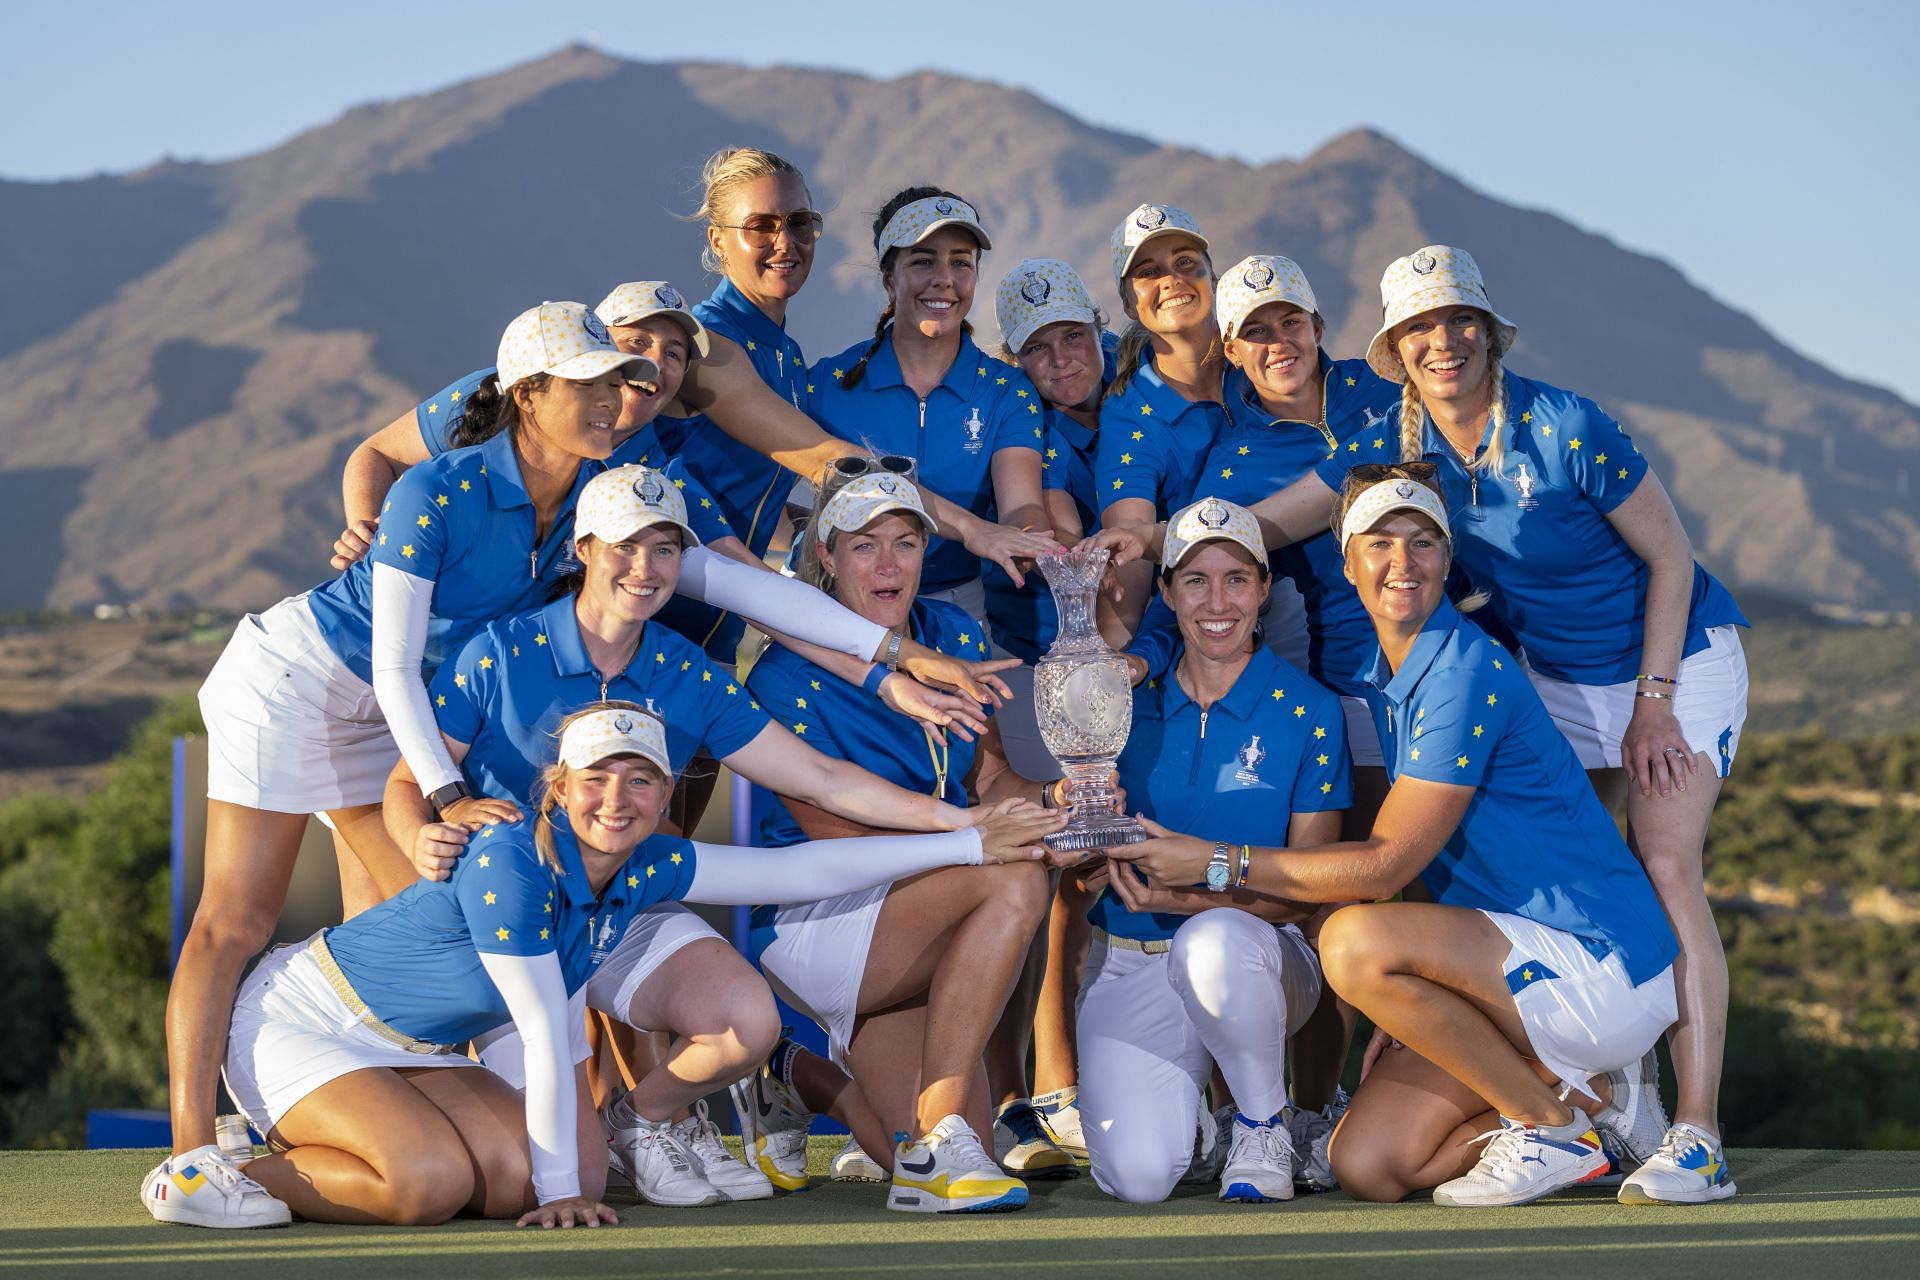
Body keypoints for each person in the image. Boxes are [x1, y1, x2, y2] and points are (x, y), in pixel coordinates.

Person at [387, 464, 1044, 1204]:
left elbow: (819, 777)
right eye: (626, 547)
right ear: (582, 549)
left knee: (750, 1023)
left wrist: (981, 822)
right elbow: (408, 780)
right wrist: (422, 826)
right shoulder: (498, 652)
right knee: (543, 1182)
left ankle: (683, 1108)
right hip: (513, 924)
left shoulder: (684, 669)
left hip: (624, 907)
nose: (646, 567)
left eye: (666, 549)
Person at [144, 301, 651, 1228]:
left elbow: (712, 575)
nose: (612, 396)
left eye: (615, 380)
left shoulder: (598, 490)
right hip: (301, 678)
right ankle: (189, 1157)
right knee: (238, 913)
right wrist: (449, 792)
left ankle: (371, 1113)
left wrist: (883, 656)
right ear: (530, 395)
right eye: (589, 382)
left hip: (400, 707)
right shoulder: (454, 477)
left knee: (418, 910)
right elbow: (384, 620)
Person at [199, 703, 1060, 1227]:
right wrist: (566, 1192)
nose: (620, 798)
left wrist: (972, 842)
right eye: (598, 778)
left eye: (643, 780)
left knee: (502, 1186)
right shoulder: (510, 863)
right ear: (559, 789)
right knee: (427, 1184)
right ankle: (226, 1171)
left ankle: (362, 1141)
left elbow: (805, 872)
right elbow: (543, 1034)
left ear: (664, 793)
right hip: (305, 1019)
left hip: (419, 1046)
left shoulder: (645, 861)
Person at [1110, 470, 1681, 1208]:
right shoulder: (1393, 674)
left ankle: (1546, 1126)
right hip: (1505, 972)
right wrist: (1418, 1008)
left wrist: (1216, 863)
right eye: (1379, 543)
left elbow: (1386, 867)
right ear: (1347, 562)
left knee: (1350, 940)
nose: (1402, 563)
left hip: (1595, 960)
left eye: (1423, 544)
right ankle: (1592, 1105)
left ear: (1449, 561)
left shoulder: (1461, 670)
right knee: (1369, 1165)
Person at [1119, 254, 1403, 1185]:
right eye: (1255, 333)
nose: (1277, 343)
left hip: (1439, 667)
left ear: (1320, 326)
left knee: (1433, 900)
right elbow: (1195, 581)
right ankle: (1307, 1112)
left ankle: (1401, 1105)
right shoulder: (1227, 457)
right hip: (1353, 684)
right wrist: (1150, 650)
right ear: (1231, 351)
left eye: (1292, 323)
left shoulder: (1385, 389)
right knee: (1337, 905)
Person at [737, 470, 1071, 1212]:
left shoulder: (951, 634)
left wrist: (1055, 806)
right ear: (826, 555)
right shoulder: (785, 673)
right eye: (866, 546)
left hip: (930, 902)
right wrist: (988, 839)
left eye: (906, 542)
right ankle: (943, 1123)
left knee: (921, 1166)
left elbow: (991, 780)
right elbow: (838, 841)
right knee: (1015, 877)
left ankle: (793, 1077)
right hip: (821, 917)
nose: (889, 565)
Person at [1068, 498, 1348, 1205]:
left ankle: (1261, 1122)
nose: (1216, 601)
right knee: (1137, 1177)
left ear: (1262, 591)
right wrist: (1084, 851)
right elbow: (1076, 864)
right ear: (1165, 594)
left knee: (1213, 938)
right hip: (1134, 958)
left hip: (1261, 956)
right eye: (1194, 580)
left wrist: (1189, 886)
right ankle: (1201, 1120)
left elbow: (1307, 891)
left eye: (1236, 579)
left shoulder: (1308, 709)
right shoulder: (1123, 704)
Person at [986, 257, 1114, 1159]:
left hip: (1145, 668)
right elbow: (1049, 514)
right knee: (1047, 873)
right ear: (1012, 359)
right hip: (1038, 664)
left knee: (1110, 873)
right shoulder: (1020, 420)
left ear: (1100, 333)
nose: (1061, 357)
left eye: (1074, 335)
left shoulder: (1144, 407)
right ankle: (1032, 1092)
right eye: (1038, 347)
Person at [806, 187, 1049, 625]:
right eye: (922, 261)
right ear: (888, 278)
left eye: (961, 261)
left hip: (956, 608)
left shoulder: (1005, 390)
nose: (944, 278)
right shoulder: (827, 384)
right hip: (840, 603)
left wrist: (1027, 539)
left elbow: (1021, 505)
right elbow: (798, 507)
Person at [650, 146, 822, 667]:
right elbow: (822, 458)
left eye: (799, 223)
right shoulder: (705, 343)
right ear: (718, 241)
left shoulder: (788, 355)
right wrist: (969, 527)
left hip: (717, 641)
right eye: (760, 225)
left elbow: (733, 486)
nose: (784, 242)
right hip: (651, 637)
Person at [1095, 204, 1229, 638]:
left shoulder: (1265, 361)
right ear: (1129, 305)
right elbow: (1130, 540)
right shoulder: (1130, 415)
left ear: (1215, 278)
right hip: (1212, 610)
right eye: (1149, 272)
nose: (1171, 279)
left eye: (1186, 263)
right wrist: (1118, 661)